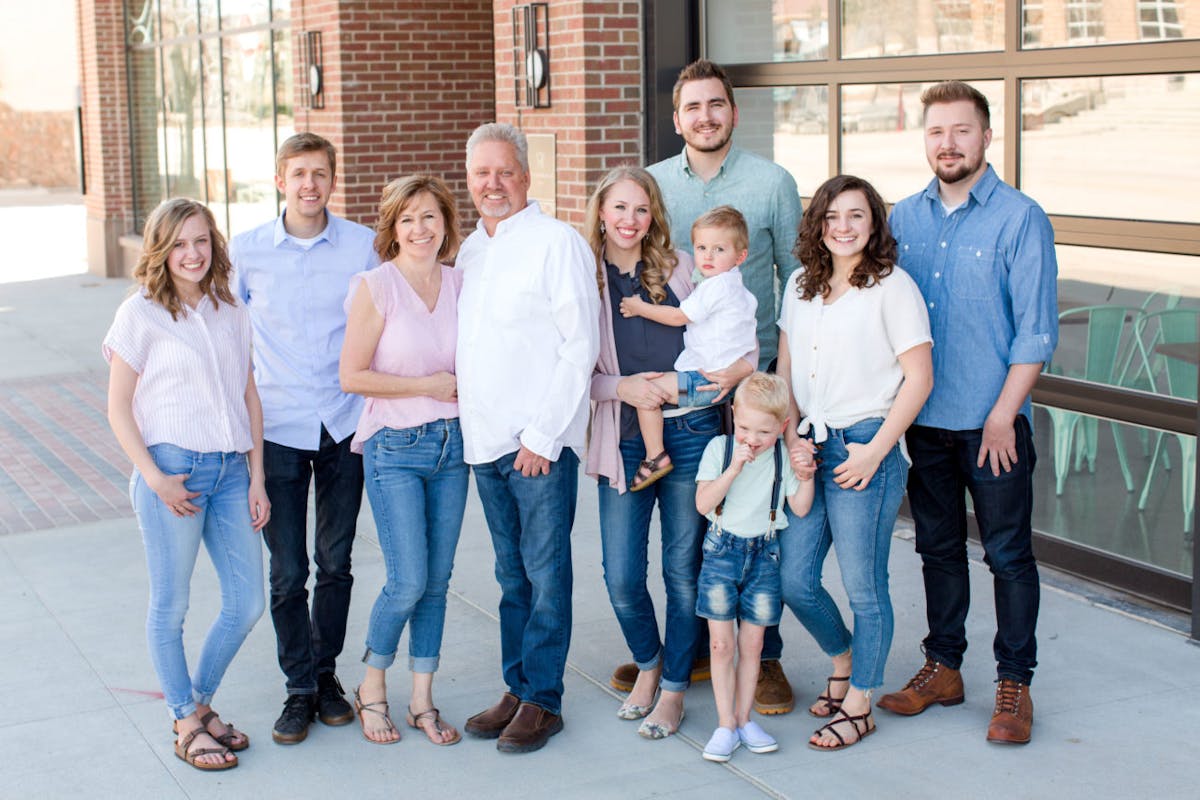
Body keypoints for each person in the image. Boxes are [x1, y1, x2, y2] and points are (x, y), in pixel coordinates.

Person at [876, 81, 1058, 746]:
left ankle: (1014, 683)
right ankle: (943, 667)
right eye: (935, 131)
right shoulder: (903, 219)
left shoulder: (1019, 218)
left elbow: (1035, 333)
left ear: (986, 136)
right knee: (938, 552)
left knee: (1008, 556)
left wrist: (1005, 414)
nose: (947, 143)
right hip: (926, 424)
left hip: (994, 427)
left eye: (960, 130)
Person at [642, 58, 804, 713]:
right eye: (692, 108)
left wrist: (782, 387)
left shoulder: (772, 183)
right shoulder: (653, 186)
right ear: (676, 118)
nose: (704, 117)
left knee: (758, 524)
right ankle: (690, 652)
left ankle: (765, 658)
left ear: (732, 112)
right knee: (689, 529)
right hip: (680, 388)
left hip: (749, 389)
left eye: (716, 105)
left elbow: (799, 284)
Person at [585, 166, 755, 742]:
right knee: (622, 575)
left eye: (641, 209)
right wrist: (621, 388)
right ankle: (649, 662)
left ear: (653, 214)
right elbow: (566, 370)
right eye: (619, 208)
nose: (630, 221)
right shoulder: (586, 277)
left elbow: (740, 343)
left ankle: (676, 686)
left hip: (691, 432)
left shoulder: (684, 266)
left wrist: (738, 373)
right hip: (622, 438)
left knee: (683, 572)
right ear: (601, 212)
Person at [104, 198, 268, 772]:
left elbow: (248, 395)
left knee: (248, 601)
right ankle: (184, 720)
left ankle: (196, 705)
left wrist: (257, 477)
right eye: (178, 243)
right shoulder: (140, 313)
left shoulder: (230, 310)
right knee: (171, 604)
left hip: (230, 473)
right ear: (161, 249)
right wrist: (154, 478)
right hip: (171, 470)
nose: (192, 253)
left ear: (213, 243)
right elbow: (118, 407)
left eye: (200, 240)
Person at [230, 133, 379, 745]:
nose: (309, 184)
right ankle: (298, 690)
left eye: (320, 173)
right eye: (298, 174)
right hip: (280, 429)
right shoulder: (246, 252)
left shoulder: (363, 246)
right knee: (289, 573)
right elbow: (226, 335)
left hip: (344, 423)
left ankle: (326, 677)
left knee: (336, 562)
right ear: (279, 180)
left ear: (332, 180)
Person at [456, 123, 600, 754]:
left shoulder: (557, 242)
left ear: (526, 176)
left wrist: (543, 435)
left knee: (545, 575)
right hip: (485, 443)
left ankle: (544, 700)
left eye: (504, 171)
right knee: (511, 576)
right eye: (482, 172)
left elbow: (581, 345)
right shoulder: (469, 251)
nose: (493, 183)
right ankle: (516, 688)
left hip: (537, 444)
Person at [776, 175, 934, 751]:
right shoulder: (799, 285)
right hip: (810, 447)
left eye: (856, 216)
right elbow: (785, 370)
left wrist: (878, 449)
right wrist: (791, 438)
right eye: (832, 216)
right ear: (818, 224)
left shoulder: (893, 288)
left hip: (868, 444)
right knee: (794, 579)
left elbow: (919, 379)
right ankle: (842, 656)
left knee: (865, 586)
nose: (843, 227)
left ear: (874, 225)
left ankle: (861, 699)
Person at [339, 175, 467, 747]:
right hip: (395, 448)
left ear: (445, 223)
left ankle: (422, 699)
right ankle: (371, 687)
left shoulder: (463, 283)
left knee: (437, 583)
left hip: (455, 446)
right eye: (408, 218)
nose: (420, 229)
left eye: (430, 217)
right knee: (408, 578)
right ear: (392, 227)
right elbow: (351, 376)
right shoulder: (376, 285)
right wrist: (428, 384)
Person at [694, 373, 815, 762]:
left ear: (781, 428)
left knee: (754, 644)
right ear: (733, 416)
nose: (752, 439)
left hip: (764, 554)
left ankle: (745, 720)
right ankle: (725, 724)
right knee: (720, 643)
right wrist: (734, 469)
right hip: (721, 552)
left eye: (763, 432)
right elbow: (703, 503)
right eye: (744, 427)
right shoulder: (720, 448)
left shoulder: (782, 455)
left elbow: (800, 507)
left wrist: (807, 476)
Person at [617, 205, 757, 492]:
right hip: (720, 382)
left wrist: (639, 307)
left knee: (647, 392)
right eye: (701, 247)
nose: (707, 256)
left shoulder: (715, 288)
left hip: (700, 382)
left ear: (740, 256)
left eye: (719, 249)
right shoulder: (740, 291)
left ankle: (655, 456)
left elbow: (678, 316)